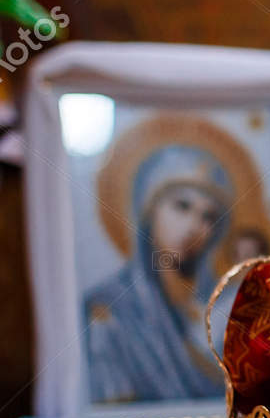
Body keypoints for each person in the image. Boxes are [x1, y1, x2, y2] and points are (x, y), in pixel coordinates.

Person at [84, 143, 234, 403]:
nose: (194, 227)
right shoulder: (110, 309)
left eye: (208, 217)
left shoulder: (224, 307)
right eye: (182, 206)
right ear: (149, 210)